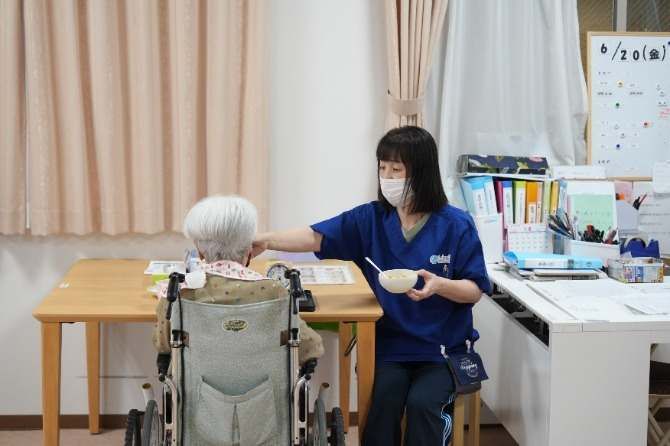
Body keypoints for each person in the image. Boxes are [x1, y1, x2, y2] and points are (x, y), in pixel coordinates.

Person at [253, 126, 491, 445]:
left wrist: (439, 285)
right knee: (382, 407)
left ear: (421, 172)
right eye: (383, 168)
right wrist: (266, 240)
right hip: (389, 347)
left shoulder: (456, 224)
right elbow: (315, 236)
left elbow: (474, 289)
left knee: (423, 406)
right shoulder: (371, 219)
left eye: (397, 170)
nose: (387, 177)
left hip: (442, 350)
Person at [152, 195, 324, 364]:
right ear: (250, 249)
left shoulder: (176, 293)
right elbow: (311, 347)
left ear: (200, 251)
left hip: (196, 383)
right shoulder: (274, 292)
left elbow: (163, 345)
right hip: (265, 383)